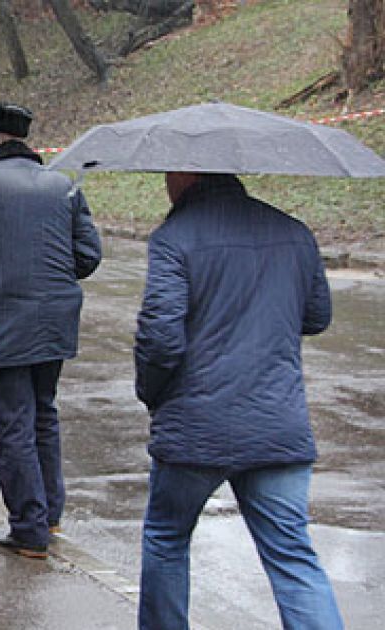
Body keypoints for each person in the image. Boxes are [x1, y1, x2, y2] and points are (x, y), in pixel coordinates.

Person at [134, 172, 343, 630]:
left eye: (171, 172)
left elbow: (161, 341)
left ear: (188, 174)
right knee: (292, 555)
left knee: (167, 539)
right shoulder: (293, 231)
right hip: (277, 423)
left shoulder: (174, 238)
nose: (167, 182)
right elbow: (317, 316)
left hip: (195, 428)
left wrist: (151, 394)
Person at [0, 100, 102, 558]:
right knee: (43, 413)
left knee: (15, 424)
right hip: (56, 320)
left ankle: (28, 529)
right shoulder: (62, 185)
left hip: (4, 319)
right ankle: (48, 512)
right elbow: (88, 256)